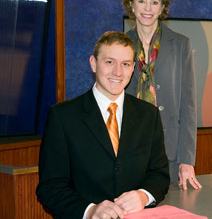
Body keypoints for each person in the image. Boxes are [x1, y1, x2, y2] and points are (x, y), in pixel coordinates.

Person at [36, 31, 170, 219]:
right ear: (93, 63)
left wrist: (144, 195)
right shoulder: (63, 116)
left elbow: (160, 175)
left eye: (125, 64)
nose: (118, 72)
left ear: (133, 68)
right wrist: (89, 210)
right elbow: (50, 187)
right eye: (109, 62)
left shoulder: (149, 114)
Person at [123, 0, 201, 190]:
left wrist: (187, 159)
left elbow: (188, 105)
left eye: (154, 2)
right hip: (128, 149)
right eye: (141, 1)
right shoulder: (119, 44)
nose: (148, 8)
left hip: (169, 152)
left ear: (161, 7)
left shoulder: (181, 45)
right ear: (131, 4)